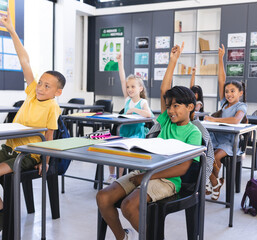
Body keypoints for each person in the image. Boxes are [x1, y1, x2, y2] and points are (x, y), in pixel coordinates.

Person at [96, 42, 202, 240]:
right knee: (103, 197)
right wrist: (172, 61)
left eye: (176, 106)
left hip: (167, 180)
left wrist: (145, 178)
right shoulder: (165, 120)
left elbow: (181, 169)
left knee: (129, 205)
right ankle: (122, 237)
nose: (170, 110)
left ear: (190, 107)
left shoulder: (193, 132)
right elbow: (164, 88)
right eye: (168, 106)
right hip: (145, 172)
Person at [0, 8, 66, 230]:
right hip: (10, 147)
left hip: (29, 155)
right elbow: (24, 60)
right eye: (40, 83)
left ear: (57, 92)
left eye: (47, 86)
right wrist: (11, 30)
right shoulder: (31, 93)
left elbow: (49, 136)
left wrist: (45, 161)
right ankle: (2, 210)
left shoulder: (52, 107)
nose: (40, 87)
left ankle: (3, 216)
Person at [203, 44, 247, 201]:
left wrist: (214, 119)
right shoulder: (223, 103)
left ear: (240, 93)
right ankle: (215, 182)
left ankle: (213, 182)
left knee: (214, 158)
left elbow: (235, 121)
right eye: (227, 91)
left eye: (232, 91)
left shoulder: (241, 106)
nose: (228, 94)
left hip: (229, 142)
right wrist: (220, 59)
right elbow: (221, 79)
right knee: (205, 156)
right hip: (215, 139)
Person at [106, 53, 153, 184]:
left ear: (140, 88)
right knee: (110, 148)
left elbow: (149, 115)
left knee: (122, 153)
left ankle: (120, 178)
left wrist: (134, 110)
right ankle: (113, 175)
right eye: (128, 87)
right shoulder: (127, 99)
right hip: (123, 132)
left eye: (133, 86)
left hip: (136, 134)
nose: (129, 89)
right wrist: (120, 63)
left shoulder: (143, 102)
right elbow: (122, 80)